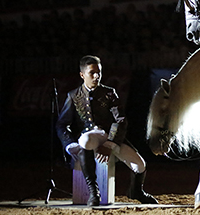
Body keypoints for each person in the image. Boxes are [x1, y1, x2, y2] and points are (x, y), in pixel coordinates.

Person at [56, 55, 158, 206]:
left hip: (111, 136)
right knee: (85, 140)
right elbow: (62, 124)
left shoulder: (109, 93)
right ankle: (93, 192)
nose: (97, 76)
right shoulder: (73, 96)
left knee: (140, 165)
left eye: (99, 72)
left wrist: (110, 144)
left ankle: (136, 191)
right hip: (89, 138)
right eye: (92, 73)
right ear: (82, 75)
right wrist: (69, 144)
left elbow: (121, 120)